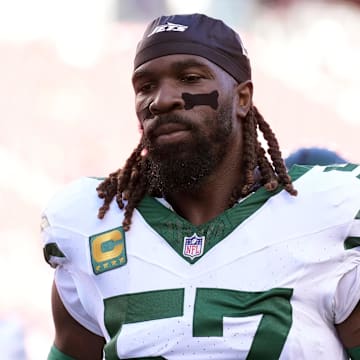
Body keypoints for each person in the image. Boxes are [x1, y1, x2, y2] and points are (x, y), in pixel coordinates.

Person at [41, 13, 360, 360]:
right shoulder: (90, 223)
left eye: (190, 78)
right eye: (145, 86)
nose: (161, 100)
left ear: (242, 98)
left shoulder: (328, 214)